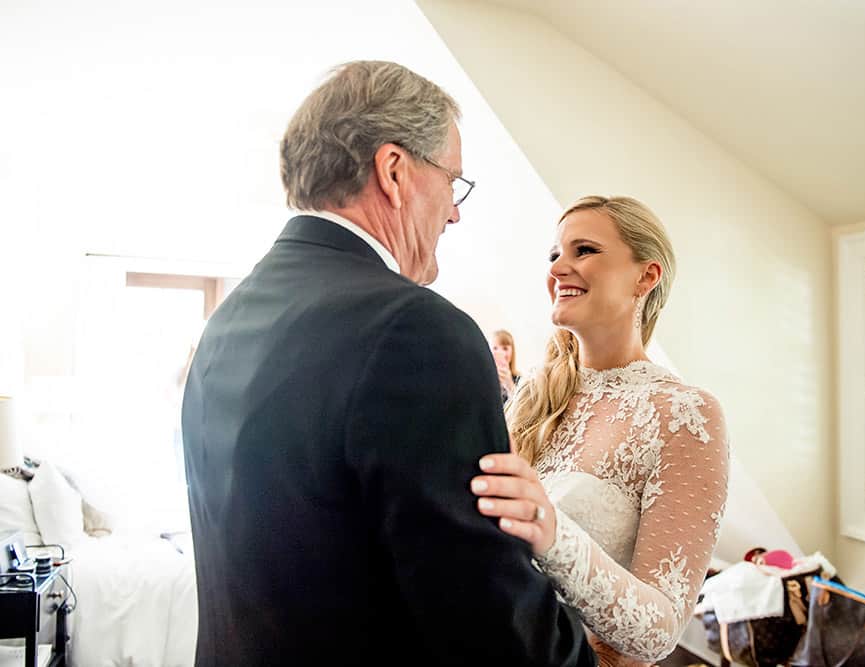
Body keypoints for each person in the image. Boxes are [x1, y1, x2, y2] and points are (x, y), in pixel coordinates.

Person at [181, 61, 595, 667]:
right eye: (453, 180)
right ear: (395, 171)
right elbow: (482, 615)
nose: (454, 212)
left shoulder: (230, 317)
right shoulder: (418, 331)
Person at [470, 196, 730, 666]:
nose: (559, 269)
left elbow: (660, 631)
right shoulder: (531, 398)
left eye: (583, 250)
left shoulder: (685, 416)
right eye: (555, 255)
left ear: (645, 277)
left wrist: (552, 535)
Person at [491, 328, 521, 402]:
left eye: (505, 348)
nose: (500, 353)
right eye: (495, 348)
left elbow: (522, 409)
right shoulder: (484, 379)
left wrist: (510, 386)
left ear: (512, 353)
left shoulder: (520, 381)